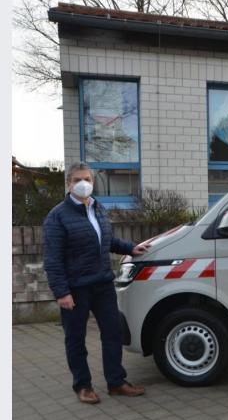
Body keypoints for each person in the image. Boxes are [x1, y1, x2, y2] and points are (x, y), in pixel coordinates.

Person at [43, 162, 150, 404]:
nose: (84, 183)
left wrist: (131, 248)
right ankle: (83, 386)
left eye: (88, 179)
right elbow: (52, 259)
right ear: (69, 184)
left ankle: (116, 382)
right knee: (76, 339)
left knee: (113, 332)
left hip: (102, 284)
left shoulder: (97, 209)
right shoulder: (57, 217)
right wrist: (61, 292)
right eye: (78, 179)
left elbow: (106, 240)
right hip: (76, 288)